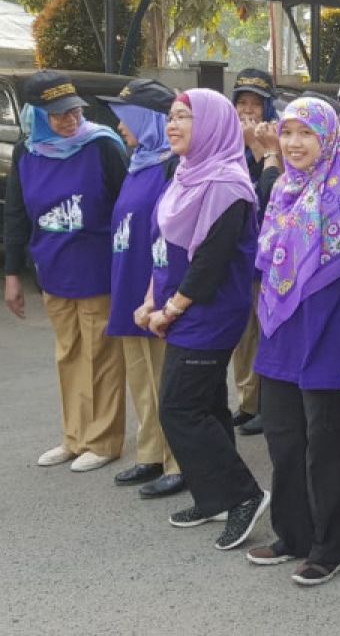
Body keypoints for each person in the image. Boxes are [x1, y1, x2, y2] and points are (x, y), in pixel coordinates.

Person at [248, 97, 340, 585]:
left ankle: (333, 545)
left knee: (325, 443)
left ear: (328, 138)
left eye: (306, 134)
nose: (295, 143)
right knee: (283, 437)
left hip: (331, 333)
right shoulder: (281, 188)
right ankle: (293, 533)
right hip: (283, 330)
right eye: (288, 132)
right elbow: (269, 259)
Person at [144, 88, 268, 549]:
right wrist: (150, 298)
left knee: (178, 407)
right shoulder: (187, 173)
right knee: (209, 405)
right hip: (183, 305)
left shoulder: (227, 186)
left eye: (184, 118)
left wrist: (169, 309)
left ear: (213, 125)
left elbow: (210, 264)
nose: (173, 125)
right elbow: (168, 250)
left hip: (209, 311)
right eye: (171, 117)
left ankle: (242, 496)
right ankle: (214, 494)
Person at [4, 71, 128, 472]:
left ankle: (104, 440)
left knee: (101, 355)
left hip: (97, 268)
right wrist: (11, 274)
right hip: (52, 267)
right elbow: (17, 214)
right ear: (36, 115)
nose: (70, 119)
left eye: (73, 110)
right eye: (58, 114)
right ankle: (74, 437)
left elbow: (126, 207)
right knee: (69, 354)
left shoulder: (102, 146)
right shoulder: (28, 153)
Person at [101, 79, 185, 497]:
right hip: (128, 286)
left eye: (125, 120)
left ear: (147, 120)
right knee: (140, 376)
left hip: (155, 289)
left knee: (163, 379)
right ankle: (150, 453)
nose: (120, 129)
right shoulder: (138, 162)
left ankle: (177, 459)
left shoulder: (172, 166)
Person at [227, 68, 281, 438]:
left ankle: (266, 404)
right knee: (243, 336)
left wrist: (263, 151)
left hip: (269, 260)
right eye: (242, 103)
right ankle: (247, 402)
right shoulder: (226, 143)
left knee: (266, 334)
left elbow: (270, 196)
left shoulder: (281, 142)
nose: (249, 111)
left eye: (256, 104)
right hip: (236, 258)